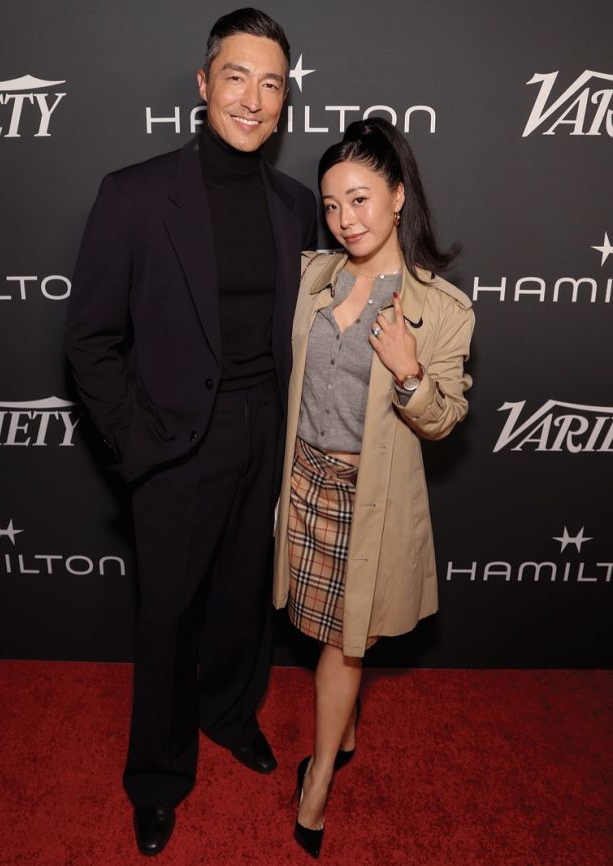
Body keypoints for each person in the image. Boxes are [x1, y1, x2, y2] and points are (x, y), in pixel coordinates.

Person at [66, 8, 317, 857]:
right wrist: (135, 442)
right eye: (237, 77)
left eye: (271, 84)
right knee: (167, 614)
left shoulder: (294, 206)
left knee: (244, 597)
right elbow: (90, 340)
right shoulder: (134, 195)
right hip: (174, 444)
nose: (253, 99)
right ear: (205, 84)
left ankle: (230, 714)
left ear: (285, 100)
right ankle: (158, 775)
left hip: (265, 430)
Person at [273, 117, 475, 858]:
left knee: (345, 642)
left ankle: (319, 781)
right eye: (331, 205)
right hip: (303, 483)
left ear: (397, 196)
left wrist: (411, 373)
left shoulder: (440, 308)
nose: (344, 219)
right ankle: (348, 727)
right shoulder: (311, 277)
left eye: (359, 199)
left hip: (370, 499)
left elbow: (444, 419)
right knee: (325, 631)